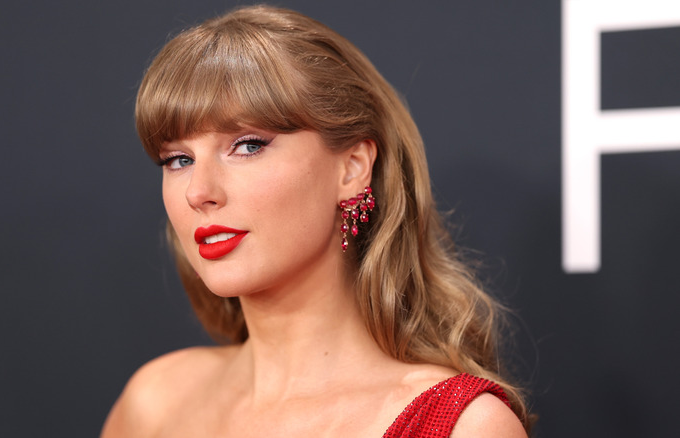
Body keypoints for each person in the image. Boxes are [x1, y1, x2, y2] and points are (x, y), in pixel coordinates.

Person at [102, 5, 531, 437]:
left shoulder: (464, 426)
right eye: (178, 159)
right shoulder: (155, 402)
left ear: (352, 167)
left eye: (248, 146)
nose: (198, 192)